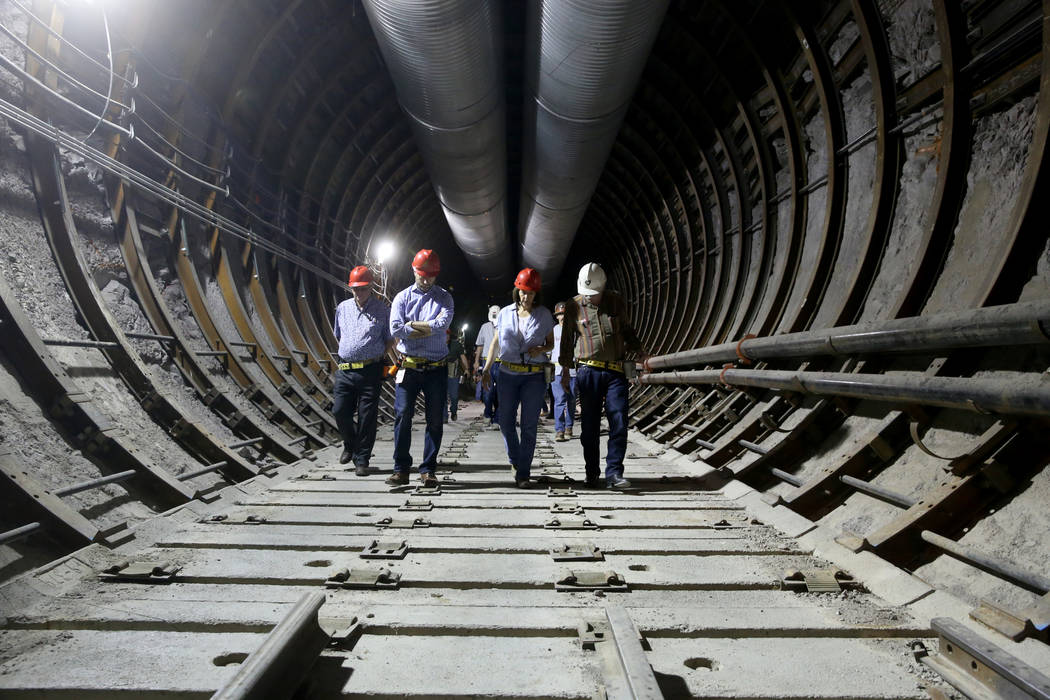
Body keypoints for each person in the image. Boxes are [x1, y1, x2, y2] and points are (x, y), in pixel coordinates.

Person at [558, 263, 647, 489]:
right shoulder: (573, 306)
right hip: (588, 371)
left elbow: (627, 329)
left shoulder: (616, 302)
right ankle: (591, 472)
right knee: (590, 426)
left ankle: (614, 473)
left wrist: (641, 352)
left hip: (616, 371)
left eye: (595, 293)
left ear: (604, 287)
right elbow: (567, 341)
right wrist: (566, 372)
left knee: (619, 420)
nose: (591, 297)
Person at [481, 268, 555, 488]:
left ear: (536, 294)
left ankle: (523, 473)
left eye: (530, 293)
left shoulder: (544, 315)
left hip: (534, 376)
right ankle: (515, 459)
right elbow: (496, 343)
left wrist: (541, 347)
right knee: (505, 422)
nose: (526, 297)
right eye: (523, 292)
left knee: (529, 425)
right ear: (517, 290)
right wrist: (486, 369)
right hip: (507, 374)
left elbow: (550, 343)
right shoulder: (504, 313)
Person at [387, 249, 454, 487]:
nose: (426, 280)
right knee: (403, 414)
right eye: (422, 275)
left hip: (436, 368)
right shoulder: (402, 298)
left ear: (436, 275)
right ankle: (401, 469)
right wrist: (426, 326)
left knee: (435, 419)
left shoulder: (445, 298)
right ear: (414, 271)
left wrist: (411, 326)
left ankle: (428, 469)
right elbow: (395, 328)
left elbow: (442, 324)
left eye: (430, 276)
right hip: (409, 366)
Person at [332, 265, 394, 476]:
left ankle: (362, 459)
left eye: (363, 289)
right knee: (340, 411)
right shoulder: (342, 308)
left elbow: (390, 339)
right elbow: (338, 334)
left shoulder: (383, 311)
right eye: (356, 289)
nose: (359, 293)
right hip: (345, 369)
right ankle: (350, 444)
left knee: (367, 416)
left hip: (370, 371)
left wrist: (375, 356)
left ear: (371, 287)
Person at [550, 301, 576, 441]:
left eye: (564, 314)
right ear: (556, 316)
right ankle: (559, 430)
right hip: (557, 370)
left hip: (572, 370)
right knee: (559, 400)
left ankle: (569, 427)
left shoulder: (575, 330)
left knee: (571, 400)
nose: (562, 317)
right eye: (559, 314)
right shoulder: (553, 331)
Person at [474, 305, 501, 429]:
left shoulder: (504, 326)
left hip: (501, 363)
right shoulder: (484, 327)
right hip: (487, 363)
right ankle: (487, 414)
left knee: (500, 392)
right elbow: (479, 345)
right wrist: (476, 362)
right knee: (487, 391)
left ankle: (497, 418)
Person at [445, 328, 469, 422]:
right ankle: (444, 416)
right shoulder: (438, 344)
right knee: (442, 396)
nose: (445, 337)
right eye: (444, 335)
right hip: (440, 373)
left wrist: (466, 369)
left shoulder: (456, 345)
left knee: (454, 396)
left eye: (447, 335)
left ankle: (454, 411)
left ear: (449, 335)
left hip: (453, 374)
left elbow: (463, 357)